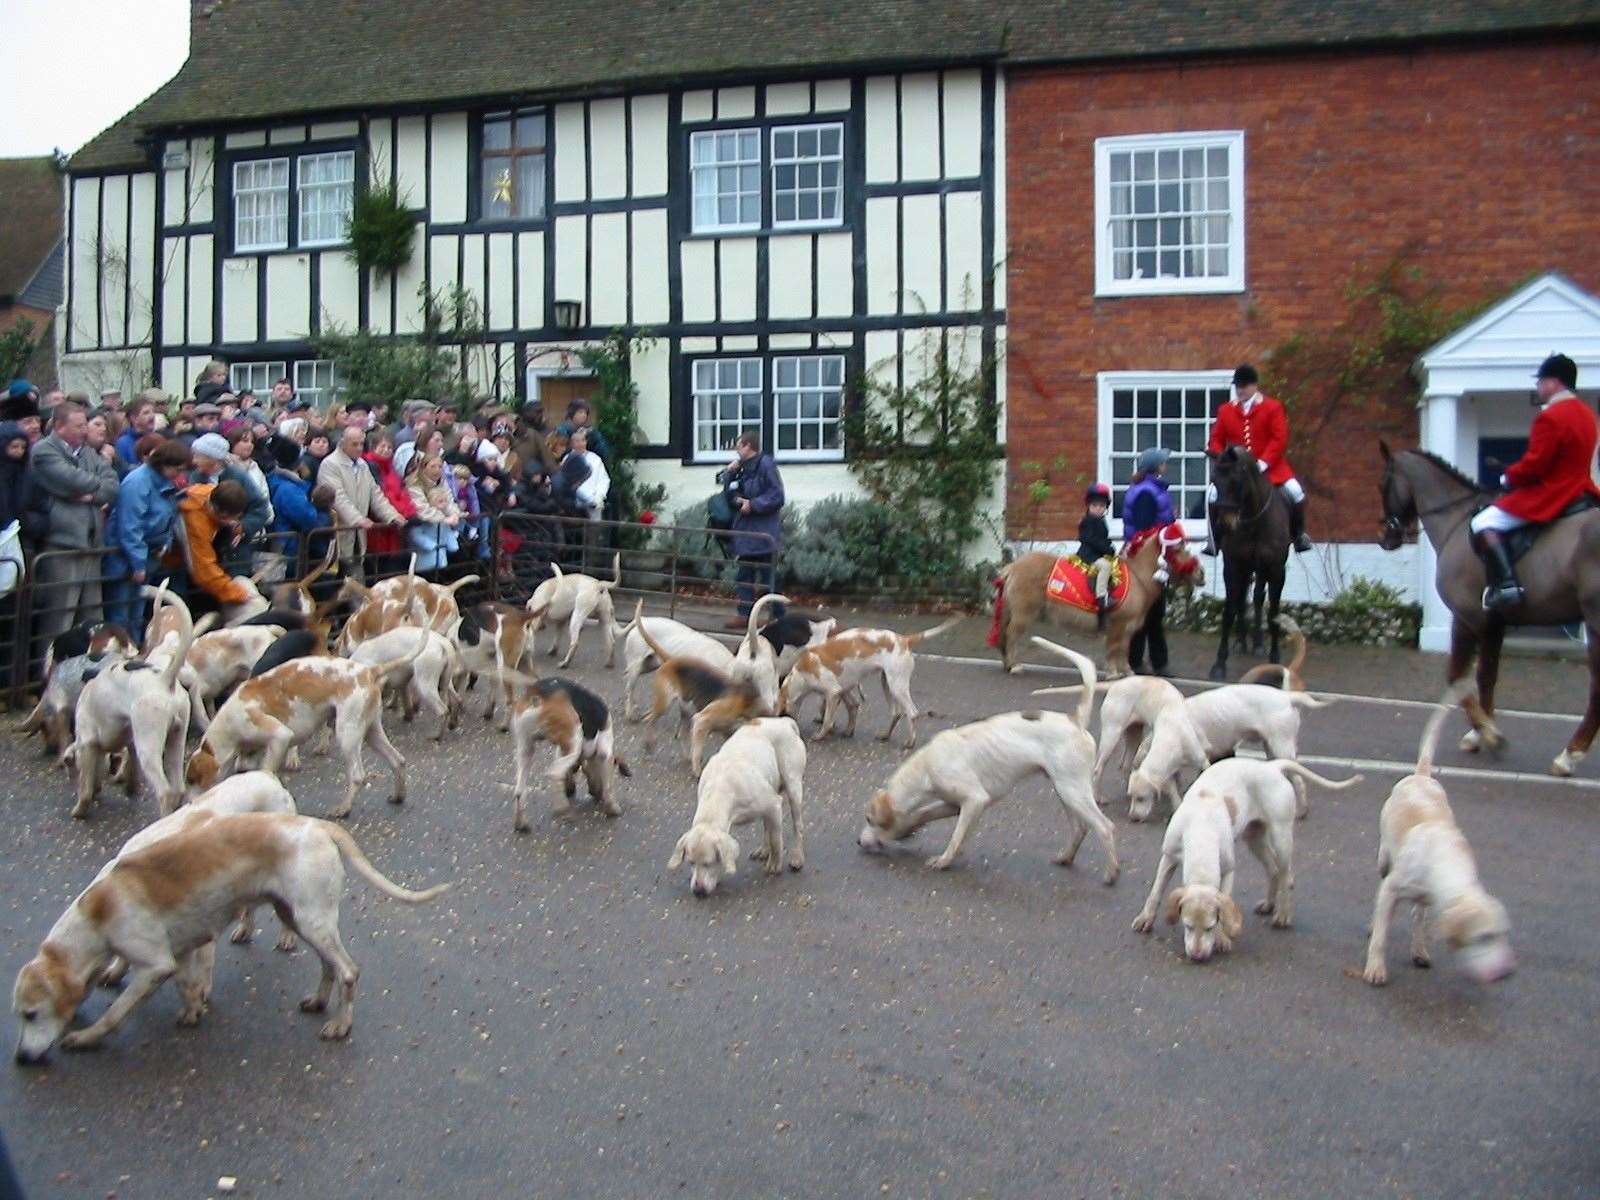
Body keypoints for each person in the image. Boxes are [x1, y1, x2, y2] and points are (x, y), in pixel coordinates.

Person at [1469, 353, 1598, 611]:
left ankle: (1506, 586)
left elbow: (1535, 465)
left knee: (1482, 521)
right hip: (1582, 493)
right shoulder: (1588, 415)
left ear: (1554, 383)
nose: (1538, 387)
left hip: (1554, 493)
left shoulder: (1551, 416)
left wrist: (1509, 476)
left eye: (1541, 381)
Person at [28, 400, 121, 645]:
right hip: (62, 547)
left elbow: (112, 484)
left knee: (93, 618)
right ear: (59, 426)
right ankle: (48, 675)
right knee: (59, 620)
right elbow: (73, 480)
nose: (84, 430)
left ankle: (90, 672)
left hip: (91, 545)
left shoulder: (88, 452)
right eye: (79, 425)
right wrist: (92, 486)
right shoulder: (43, 451)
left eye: (85, 425)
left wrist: (91, 494)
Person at [1206, 364, 1312, 554]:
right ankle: (1214, 540)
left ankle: (1298, 536)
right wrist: (1222, 458)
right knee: (1212, 494)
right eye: (1238, 386)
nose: (1240, 390)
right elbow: (1216, 439)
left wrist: (1263, 462)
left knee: (1296, 493)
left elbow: (1279, 438)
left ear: (1254, 386)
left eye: (1244, 386)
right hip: (1236, 471)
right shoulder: (1226, 410)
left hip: (1270, 468)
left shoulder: (1272, 407)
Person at [103, 438, 188, 629]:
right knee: (120, 614)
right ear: (165, 464)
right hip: (125, 560)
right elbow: (130, 525)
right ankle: (121, 653)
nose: (180, 474)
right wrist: (138, 563)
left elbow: (168, 516)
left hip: (150, 554)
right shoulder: (137, 482)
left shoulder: (165, 483)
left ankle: (135, 649)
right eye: (178, 469)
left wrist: (166, 542)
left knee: (137, 612)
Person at [716, 430, 784, 629]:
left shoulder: (766, 465)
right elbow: (729, 494)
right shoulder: (741, 468)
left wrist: (753, 505)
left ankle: (779, 617)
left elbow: (777, 496)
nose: (736, 450)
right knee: (744, 575)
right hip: (746, 531)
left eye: (738, 446)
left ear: (748, 446)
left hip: (763, 532)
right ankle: (744, 615)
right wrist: (730, 475)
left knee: (769, 577)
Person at [317, 423, 405, 572]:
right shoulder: (330, 464)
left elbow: (375, 494)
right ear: (343, 443)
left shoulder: (363, 465)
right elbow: (338, 497)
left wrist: (393, 516)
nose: (359, 448)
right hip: (339, 531)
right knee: (339, 574)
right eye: (354, 444)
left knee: (356, 571)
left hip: (358, 532)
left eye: (361, 444)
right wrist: (358, 519)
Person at [1122, 447, 1177, 678]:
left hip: (1154, 557)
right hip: (1146, 560)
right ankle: (1141, 661)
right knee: (1149, 612)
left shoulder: (1152, 488)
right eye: (1163, 462)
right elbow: (1145, 530)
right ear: (1157, 466)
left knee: (1154, 612)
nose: (1166, 464)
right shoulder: (1147, 492)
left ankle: (1154, 661)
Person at [167, 479, 254, 616]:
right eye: (230, 518)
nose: (232, 521)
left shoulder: (211, 493)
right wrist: (237, 592)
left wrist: (237, 527)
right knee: (178, 607)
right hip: (169, 564)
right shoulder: (196, 522)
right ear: (220, 513)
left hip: (182, 559)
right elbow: (203, 570)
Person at [405, 453, 462, 571]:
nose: (437, 470)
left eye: (440, 466)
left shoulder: (442, 483)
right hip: (423, 529)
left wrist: (455, 514)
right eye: (433, 466)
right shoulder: (414, 486)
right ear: (423, 467)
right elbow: (422, 509)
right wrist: (444, 519)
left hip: (440, 531)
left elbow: (449, 501)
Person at [1078, 482, 1117, 628]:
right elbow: (1089, 539)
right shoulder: (1087, 521)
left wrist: (1110, 547)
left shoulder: (1101, 522)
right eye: (1095, 506)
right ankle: (1102, 597)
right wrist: (1106, 548)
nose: (1098, 509)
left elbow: (1104, 539)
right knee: (1106, 566)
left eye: (1101, 506)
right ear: (1089, 506)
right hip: (1089, 555)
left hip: (1099, 553)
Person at [116, 389, 163, 462]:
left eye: (153, 412)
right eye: (146, 413)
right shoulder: (123, 443)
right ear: (134, 418)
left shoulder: (158, 439)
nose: (152, 416)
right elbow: (123, 470)